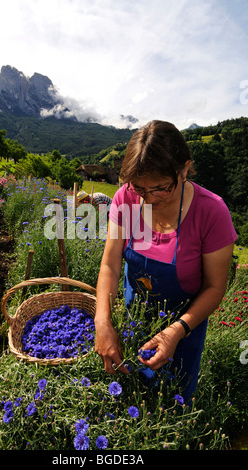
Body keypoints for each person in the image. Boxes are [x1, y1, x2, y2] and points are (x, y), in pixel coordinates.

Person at [94, 120, 237, 403]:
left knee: (170, 404)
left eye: (160, 188)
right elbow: (110, 264)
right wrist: (104, 321)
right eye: (139, 188)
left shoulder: (212, 212)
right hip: (131, 320)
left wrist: (175, 332)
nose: (148, 199)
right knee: (125, 400)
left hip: (182, 330)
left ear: (184, 169)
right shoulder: (126, 198)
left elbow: (214, 287)